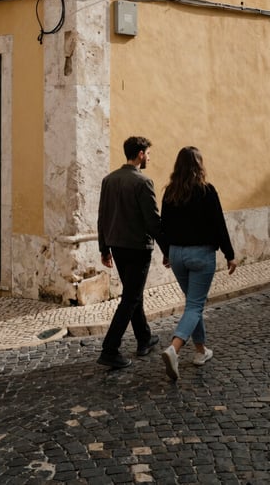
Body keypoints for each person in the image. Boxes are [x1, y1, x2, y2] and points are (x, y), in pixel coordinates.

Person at [160, 146, 237, 380]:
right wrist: (229, 254)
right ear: (199, 166)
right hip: (201, 255)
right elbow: (218, 224)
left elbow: (164, 226)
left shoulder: (170, 192)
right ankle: (174, 348)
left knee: (193, 303)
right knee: (194, 305)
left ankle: (201, 351)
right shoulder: (206, 191)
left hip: (177, 255)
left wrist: (167, 253)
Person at [97, 136, 168, 369]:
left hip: (117, 246)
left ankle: (144, 339)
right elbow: (153, 221)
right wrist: (167, 249)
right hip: (138, 247)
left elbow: (102, 216)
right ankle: (110, 349)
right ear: (140, 154)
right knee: (131, 298)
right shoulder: (142, 182)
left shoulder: (109, 180)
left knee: (133, 293)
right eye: (148, 153)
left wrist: (103, 248)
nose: (148, 157)